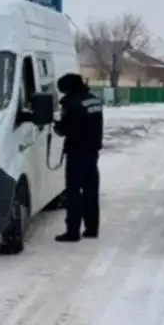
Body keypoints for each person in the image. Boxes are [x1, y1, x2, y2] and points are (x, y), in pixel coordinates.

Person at [53, 72, 104, 242]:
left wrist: (57, 126)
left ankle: (72, 231)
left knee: (73, 192)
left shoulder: (71, 102)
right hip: (92, 151)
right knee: (91, 191)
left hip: (76, 151)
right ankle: (91, 228)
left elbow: (65, 128)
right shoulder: (94, 99)